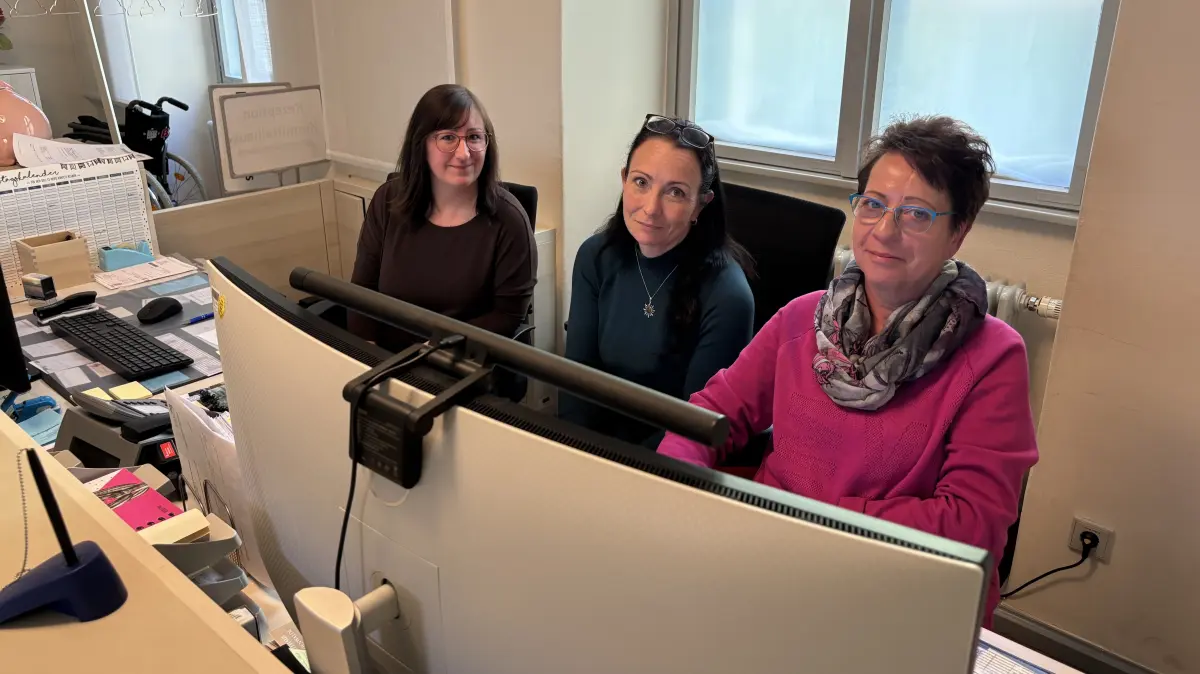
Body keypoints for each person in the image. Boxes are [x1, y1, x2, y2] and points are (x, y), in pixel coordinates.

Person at [658, 116, 1037, 625]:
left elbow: (972, 527)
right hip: (773, 566)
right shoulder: (803, 317)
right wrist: (671, 482)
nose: (885, 230)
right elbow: (710, 413)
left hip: (893, 596)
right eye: (874, 205)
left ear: (958, 233)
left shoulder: (992, 357)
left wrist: (813, 519)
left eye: (917, 214)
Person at [561, 114, 754, 445]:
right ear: (624, 180)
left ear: (699, 206)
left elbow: (693, 425)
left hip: (671, 463)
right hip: (591, 449)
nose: (651, 208)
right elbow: (576, 387)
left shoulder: (728, 295)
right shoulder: (595, 257)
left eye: (675, 192)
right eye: (641, 182)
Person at [349, 84, 536, 351]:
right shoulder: (387, 201)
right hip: (385, 360)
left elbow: (507, 316)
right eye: (448, 137)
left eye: (474, 137)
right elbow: (362, 291)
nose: (463, 153)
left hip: (461, 363)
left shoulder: (510, 220)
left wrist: (436, 350)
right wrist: (363, 355)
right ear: (421, 143)